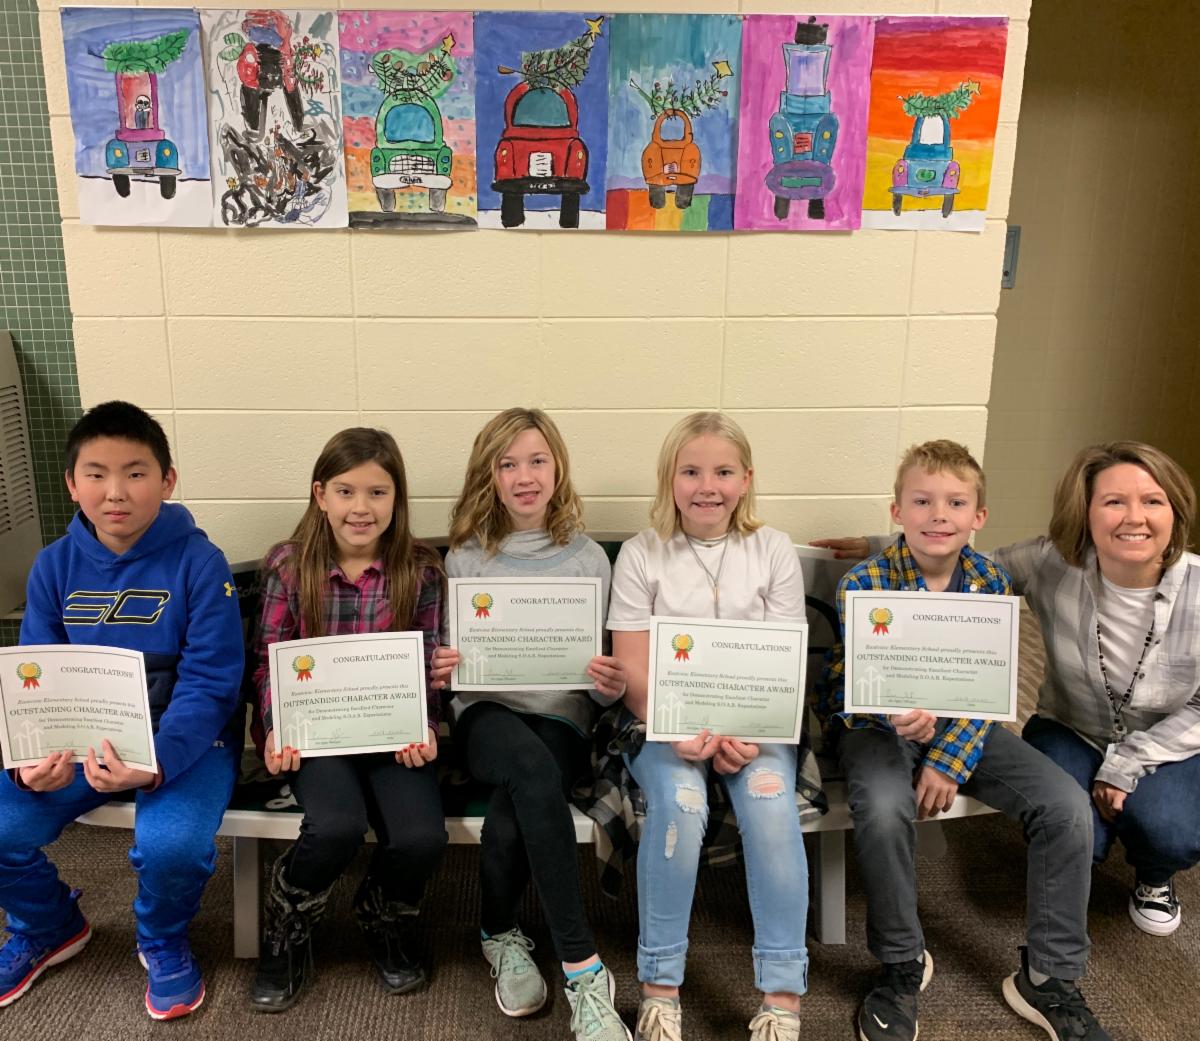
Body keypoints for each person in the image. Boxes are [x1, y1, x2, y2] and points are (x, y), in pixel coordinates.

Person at [815, 441, 1200, 940]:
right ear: (1086, 513)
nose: (1134, 517)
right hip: (1072, 729)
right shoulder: (1052, 561)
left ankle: (1149, 879)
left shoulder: (1194, 587)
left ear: (1175, 510)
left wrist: (1125, 766)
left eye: (1152, 501)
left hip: (1170, 741)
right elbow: (946, 551)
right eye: (1113, 501)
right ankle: (905, 953)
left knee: (1164, 828)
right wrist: (879, 543)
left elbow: (983, 662)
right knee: (1081, 829)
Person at [814, 440, 1109, 1041]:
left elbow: (987, 688)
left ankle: (1049, 976)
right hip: (877, 728)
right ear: (897, 512)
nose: (938, 515)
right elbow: (856, 684)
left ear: (979, 516)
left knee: (1065, 806)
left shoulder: (990, 581)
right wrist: (897, 715)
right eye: (922, 501)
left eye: (955, 503)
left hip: (965, 726)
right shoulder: (865, 581)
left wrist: (948, 759)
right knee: (884, 804)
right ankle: (901, 963)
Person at [0, 401, 244, 1019]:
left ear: (167, 480)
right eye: (96, 473)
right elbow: (35, 678)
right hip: (80, 744)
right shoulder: (53, 566)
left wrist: (156, 762)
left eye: (135, 473)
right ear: (71, 483)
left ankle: (161, 939)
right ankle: (48, 924)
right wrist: (31, 758)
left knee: (172, 847)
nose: (115, 492)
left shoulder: (200, 563)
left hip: (183, 746)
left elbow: (211, 683)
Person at [430, 408, 631, 1041]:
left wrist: (609, 682)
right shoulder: (464, 558)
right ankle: (583, 966)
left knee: (524, 791)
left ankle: (498, 931)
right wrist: (442, 665)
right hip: (487, 713)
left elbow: (605, 667)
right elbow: (448, 665)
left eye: (537, 461)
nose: (525, 476)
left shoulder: (588, 558)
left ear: (558, 468)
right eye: (508, 464)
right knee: (526, 766)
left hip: (563, 714)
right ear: (488, 475)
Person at [608, 411, 810, 1041]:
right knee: (681, 803)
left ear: (746, 479)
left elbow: (784, 664)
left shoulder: (772, 549)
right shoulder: (642, 554)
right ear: (669, 480)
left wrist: (744, 733)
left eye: (723, 472)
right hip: (663, 724)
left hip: (758, 724)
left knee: (771, 804)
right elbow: (632, 668)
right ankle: (660, 987)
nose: (707, 487)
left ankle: (782, 996)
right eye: (690, 472)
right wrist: (679, 729)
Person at [249, 428, 447, 1012]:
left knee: (421, 837)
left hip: (391, 735)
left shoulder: (421, 571)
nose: (361, 508)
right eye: (345, 491)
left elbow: (429, 665)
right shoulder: (289, 566)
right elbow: (266, 662)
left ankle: (381, 912)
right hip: (317, 736)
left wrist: (427, 724)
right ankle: (287, 922)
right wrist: (275, 728)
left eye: (378, 493)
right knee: (335, 825)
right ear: (320, 495)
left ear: (397, 498)